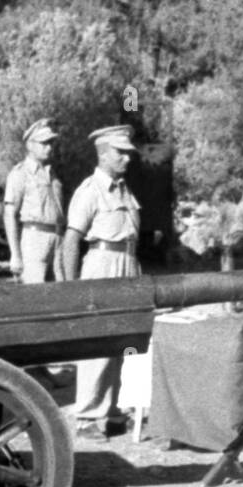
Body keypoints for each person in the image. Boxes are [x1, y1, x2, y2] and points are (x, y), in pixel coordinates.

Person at [62, 125, 140, 438]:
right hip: (102, 265)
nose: (126, 159)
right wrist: (73, 287)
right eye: (120, 152)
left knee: (125, 341)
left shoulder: (124, 189)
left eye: (129, 153)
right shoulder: (90, 190)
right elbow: (71, 240)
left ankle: (113, 410)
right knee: (97, 343)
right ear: (103, 153)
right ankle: (88, 417)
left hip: (128, 263)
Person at [3, 118, 66, 284]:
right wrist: (15, 255)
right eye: (44, 143)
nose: (49, 147)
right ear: (30, 145)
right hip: (34, 239)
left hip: (57, 238)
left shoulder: (52, 174)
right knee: (35, 293)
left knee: (61, 292)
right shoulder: (20, 174)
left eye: (51, 143)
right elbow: (9, 214)